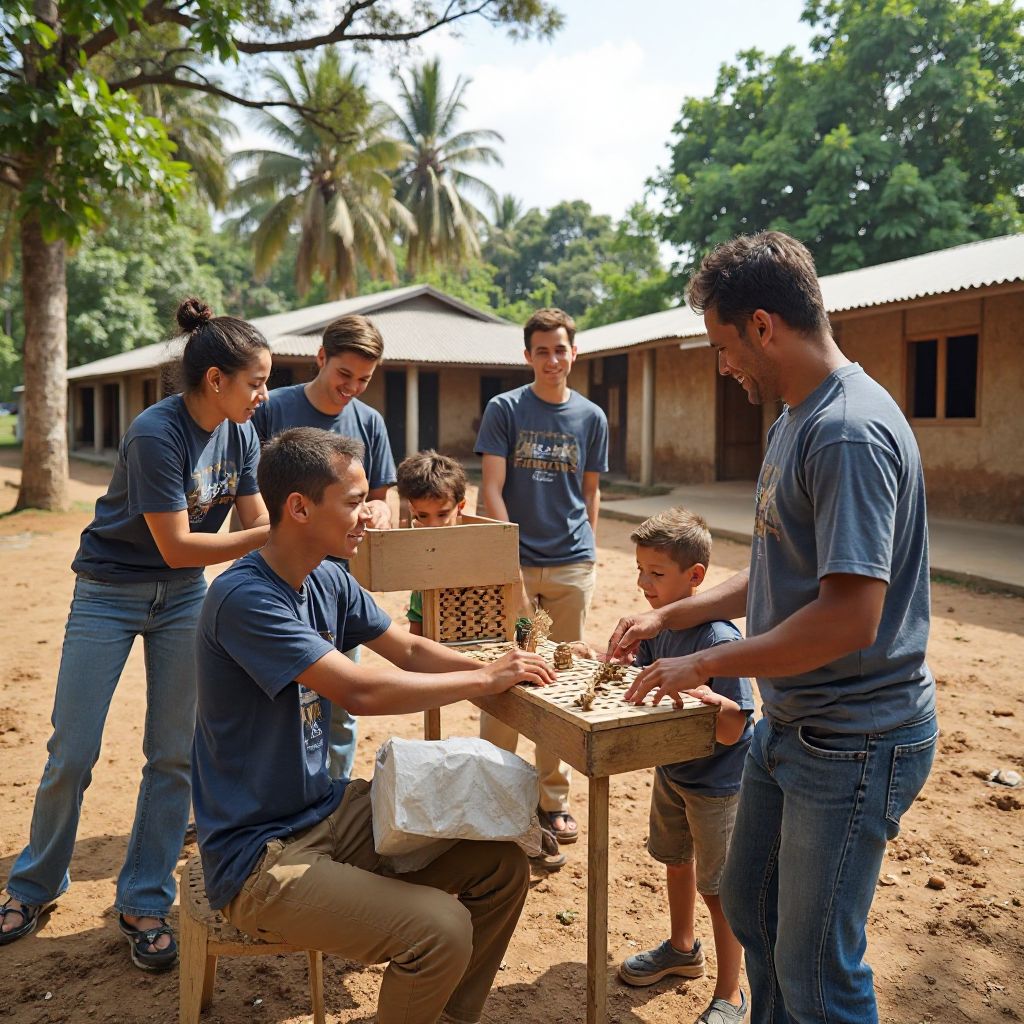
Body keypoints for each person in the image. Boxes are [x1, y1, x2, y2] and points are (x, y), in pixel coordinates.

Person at [610, 231, 938, 1024]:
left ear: (763, 326)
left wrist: (697, 666)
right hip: (795, 726)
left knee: (818, 966)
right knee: (755, 913)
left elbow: (850, 617)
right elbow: (783, 573)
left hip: (854, 736)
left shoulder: (848, 431)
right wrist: (672, 613)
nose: (724, 366)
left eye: (724, 345)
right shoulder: (796, 417)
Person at [191, 426, 554, 1024]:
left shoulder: (329, 577)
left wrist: (496, 666)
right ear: (300, 509)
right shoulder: (245, 598)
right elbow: (358, 691)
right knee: (440, 930)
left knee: (502, 867)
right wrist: (483, 682)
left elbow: (408, 651)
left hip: (326, 811)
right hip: (260, 857)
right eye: (356, 501)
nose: (373, 514)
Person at [0, 298, 273, 970]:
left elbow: (255, 522)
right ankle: (34, 882)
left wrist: (296, 534)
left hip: (182, 600)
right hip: (108, 592)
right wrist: (291, 530)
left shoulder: (239, 436)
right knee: (74, 747)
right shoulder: (157, 433)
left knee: (175, 753)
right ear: (216, 381)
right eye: (257, 382)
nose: (265, 396)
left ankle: (143, 897)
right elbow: (180, 545)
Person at [474, 307, 608, 848]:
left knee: (564, 682)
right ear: (527, 355)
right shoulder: (505, 409)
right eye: (542, 350)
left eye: (561, 349)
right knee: (505, 677)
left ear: (574, 353)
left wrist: (589, 552)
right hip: (517, 565)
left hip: (573, 564)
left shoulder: (592, 418)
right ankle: (495, 794)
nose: (553, 359)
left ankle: (552, 801)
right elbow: (491, 490)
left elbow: (591, 491)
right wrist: (508, 568)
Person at [614, 508, 752, 1024]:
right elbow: (637, 671)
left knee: (719, 889)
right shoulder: (658, 628)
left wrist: (704, 698)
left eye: (656, 573)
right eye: (639, 570)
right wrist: (618, 662)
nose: (643, 583)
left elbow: (736, 725)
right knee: (675, 860)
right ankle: (682, 947)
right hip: (672, 770)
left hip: (718, 783)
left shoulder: (719, 639)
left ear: (695, 576)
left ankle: (731, 993)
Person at [252, 313, 397, 781]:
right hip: (274, 576)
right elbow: (248, 493)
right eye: (344, 374)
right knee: (264, 696)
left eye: (364, 379)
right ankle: (255, 795)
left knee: (337, 701)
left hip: (337, 585)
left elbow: (381, 500)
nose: (352, 387)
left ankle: (330, 796)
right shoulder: (274, 408)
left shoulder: (369, 422)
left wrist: (377, 513)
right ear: (321, 358)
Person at [395, 449, 468, 637]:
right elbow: (417, 618)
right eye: (423, 515)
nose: (433, 525)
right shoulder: (421, 550)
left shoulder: (472, 549)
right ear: (412, 509)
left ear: (460, 506)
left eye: (442, 514)